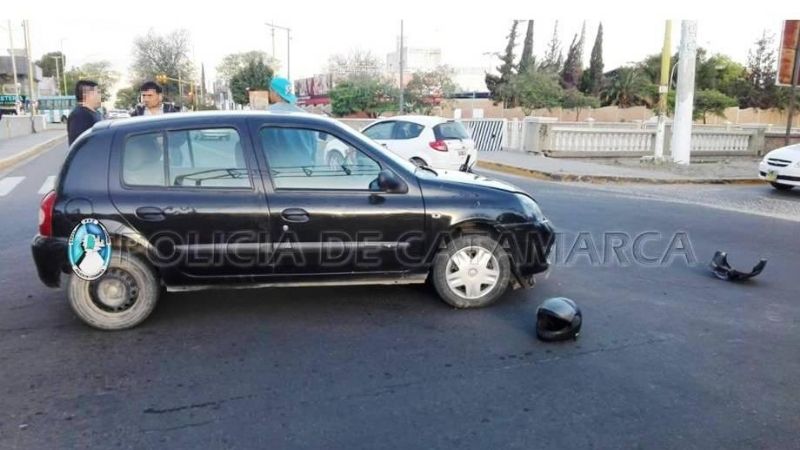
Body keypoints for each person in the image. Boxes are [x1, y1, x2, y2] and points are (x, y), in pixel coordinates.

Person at [263, 77, 317, 168]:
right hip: (304, 171)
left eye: (270, 91)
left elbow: (265, 145)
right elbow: (314, 145)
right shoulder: (305, 115)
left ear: (275, 93)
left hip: (280, 172)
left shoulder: (268, 114)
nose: (269, 94)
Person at [67, 80, 102, 145]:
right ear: (89, 95)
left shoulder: (96, 113)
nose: (100, 96)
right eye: (98, 93)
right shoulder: (80, 116)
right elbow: (80, 146)